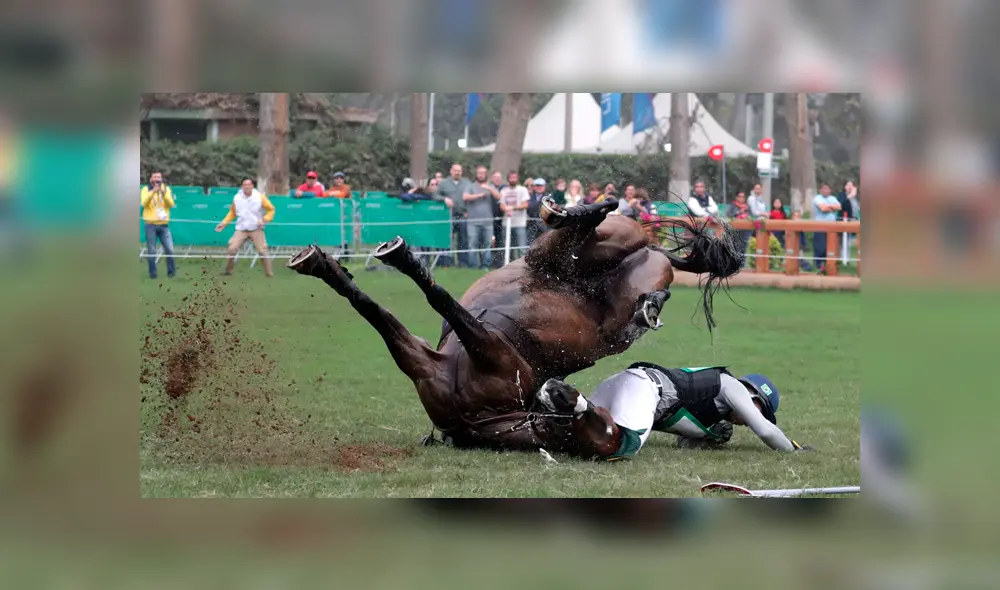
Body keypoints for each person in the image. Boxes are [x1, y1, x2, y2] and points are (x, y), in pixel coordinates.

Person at [541, 362, 812, 460]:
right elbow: (764, 430)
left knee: (574, 440)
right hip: (645, 389)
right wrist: (793, 450)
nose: (749, 421)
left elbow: (684, 441)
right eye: (759, 410)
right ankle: (577, 402)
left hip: (631, 386)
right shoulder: (732, 386)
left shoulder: (716, 412)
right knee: (627, 446)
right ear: (751, 394)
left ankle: (560, 402)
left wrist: (707, 437)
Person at [215, 178, 275, 277]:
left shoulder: (260, 197)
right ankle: (228, 271)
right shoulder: (237, 198)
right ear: (242, 187)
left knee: (262, 251)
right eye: (244, 185)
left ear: (252, 186)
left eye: (249, 184)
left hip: (256, 228)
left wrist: (264, 219)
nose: (247, 186)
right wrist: (224, 223)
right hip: (241, 229)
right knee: (232, 249)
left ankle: (269, 274)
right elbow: (232, 213)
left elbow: (271, 210)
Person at [140, 171, 176, 279]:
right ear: (151, 179)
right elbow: (143, 203)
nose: (157, 179)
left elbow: (170, 204)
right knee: (152, 250)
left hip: (164, 225)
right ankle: (153, 274)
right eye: (155, 177)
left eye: (159, 177)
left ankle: (171, 273)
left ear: (161, 179)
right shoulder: (145, 189)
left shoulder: (166, 189)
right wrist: (153, 192)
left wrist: (164, 194)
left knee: (170, 249)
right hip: (150, 224)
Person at [464, 165, 500, 270]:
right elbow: (465, 196)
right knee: (472, 244)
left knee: (487, 245)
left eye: (483, 173)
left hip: (487, 222)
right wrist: (479, 195)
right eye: (479, 173)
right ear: (476, 174)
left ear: (486, 174)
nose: (481, 175)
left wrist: (489, 188)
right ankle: (473, 265)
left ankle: (485, 265)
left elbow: (499, 197)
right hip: (472, 221)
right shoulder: (470, 186)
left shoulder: (490, 186)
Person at [436, 163, 472, 268]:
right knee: (448, 241)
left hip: (463, 216)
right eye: (455, 170)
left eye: (459, 170)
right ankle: (447, 263)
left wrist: (469, 210)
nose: (457, 172)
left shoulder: (467, 183)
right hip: (449, 216)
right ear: (451, 171)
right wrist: (444, 199)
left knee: (463, 240)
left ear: (462, 172)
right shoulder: (443, 183)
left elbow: (471, 197)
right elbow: (435, 195)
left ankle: (463, 263)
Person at [499, 171, 530, 259]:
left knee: (521, 247)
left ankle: (522, 267)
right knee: (508, 247)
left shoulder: (523, 189)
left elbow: (525, 205)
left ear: (517, 178)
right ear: (508, 179)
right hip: (506, 223)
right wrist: (506, 208)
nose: (513, 179)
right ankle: (510, 266)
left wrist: (512, 208)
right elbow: (502, 206)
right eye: (511, 177)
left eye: (514, 177)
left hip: (520, 223)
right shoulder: (503, 191)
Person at [811, 184, 842, 272]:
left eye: (827, 189)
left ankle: (829, 265)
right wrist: (832, 207)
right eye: (824, 189)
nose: (826, 190)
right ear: (820, 190)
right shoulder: (817, 198)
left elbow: (839, 207)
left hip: (832, 227)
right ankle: (818, 265)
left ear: (830, 190)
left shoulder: (832, 198)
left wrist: (828, 207)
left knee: (831, 247)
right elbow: (822, 209)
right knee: (820, 247)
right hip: (820, 226)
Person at [526, 178, 550, 243]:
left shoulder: (548, 197)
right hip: (531, 224)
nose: (539, 187)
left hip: (544, 225)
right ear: (534, 187)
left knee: (545, 243)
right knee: (528, 244)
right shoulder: (528, 196)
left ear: (544, 186)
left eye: (541, 186)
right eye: (537, 185)